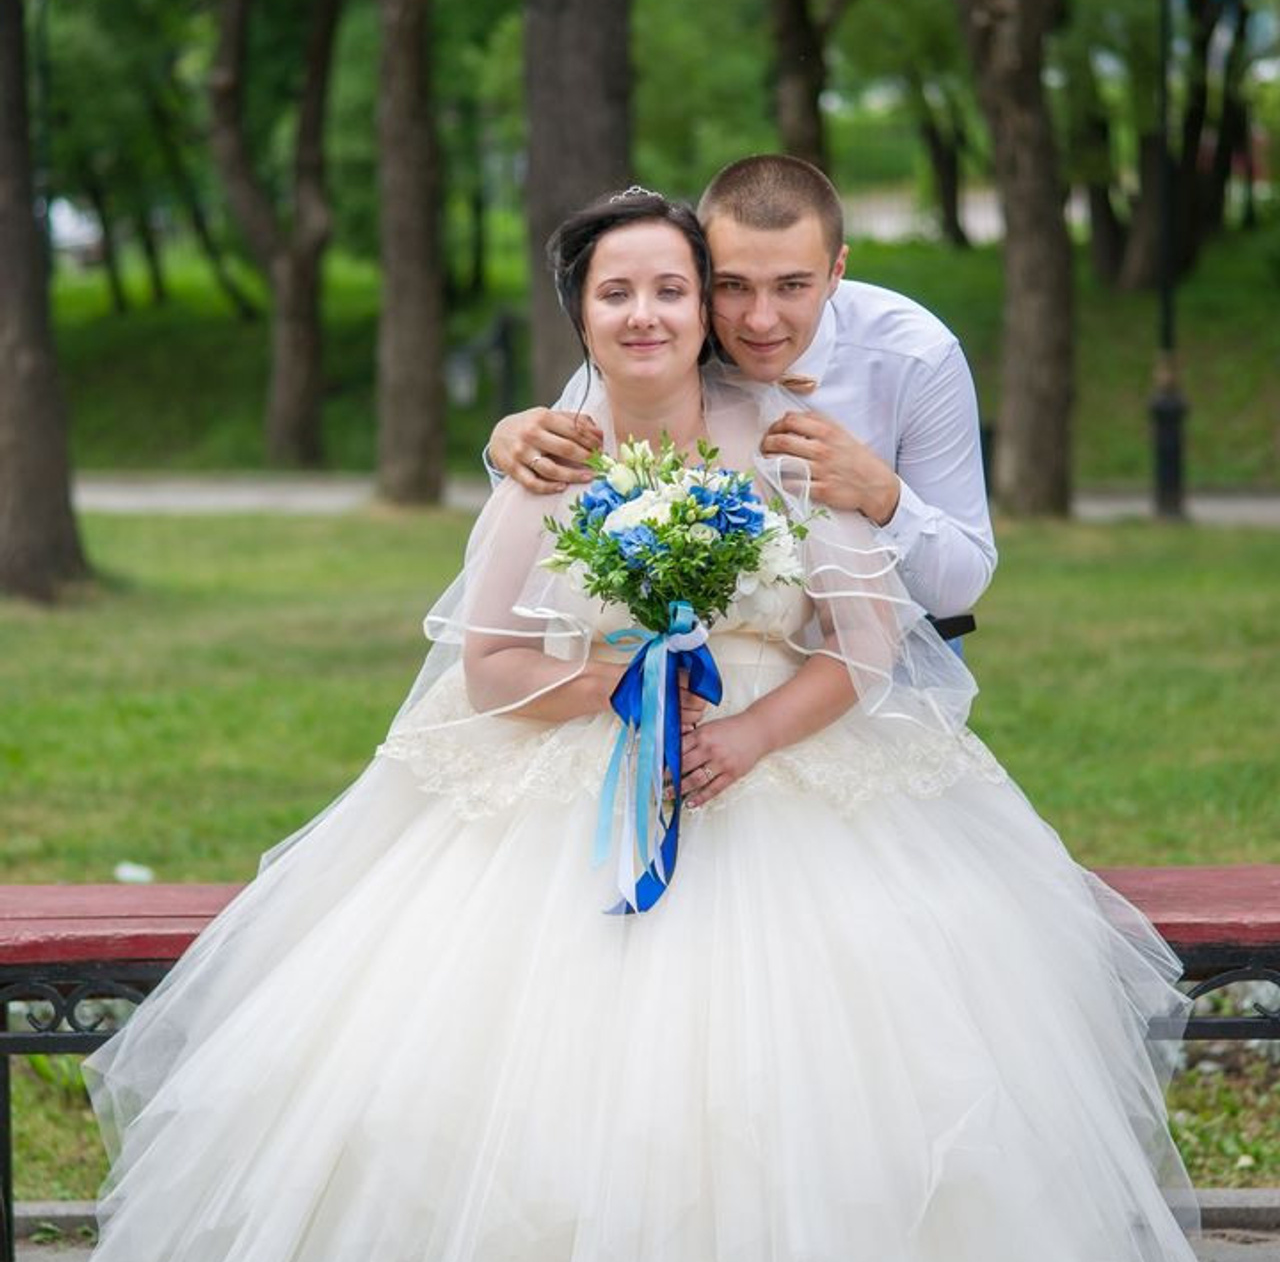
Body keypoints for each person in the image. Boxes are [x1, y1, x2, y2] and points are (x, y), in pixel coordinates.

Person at [82, 190, 1200, 1262]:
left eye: (673, 288)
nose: (648, 313)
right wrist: (611, 678)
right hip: (578, 768)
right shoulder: (548, 459)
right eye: (618, 293)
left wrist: (754, 735)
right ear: (579, 312)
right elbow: (487, 667)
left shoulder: (785, 442)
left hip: (779, 754)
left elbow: (865, 642)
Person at [488, 155, 996, 635]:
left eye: (792, 286)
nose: (760, 319)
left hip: (895, 664)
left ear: (837, 270)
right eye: (733, 285)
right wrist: (507, 445)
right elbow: (562, 492)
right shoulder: (665, 344)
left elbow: (959, 590)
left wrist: (881, 495)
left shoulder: (916, 356)